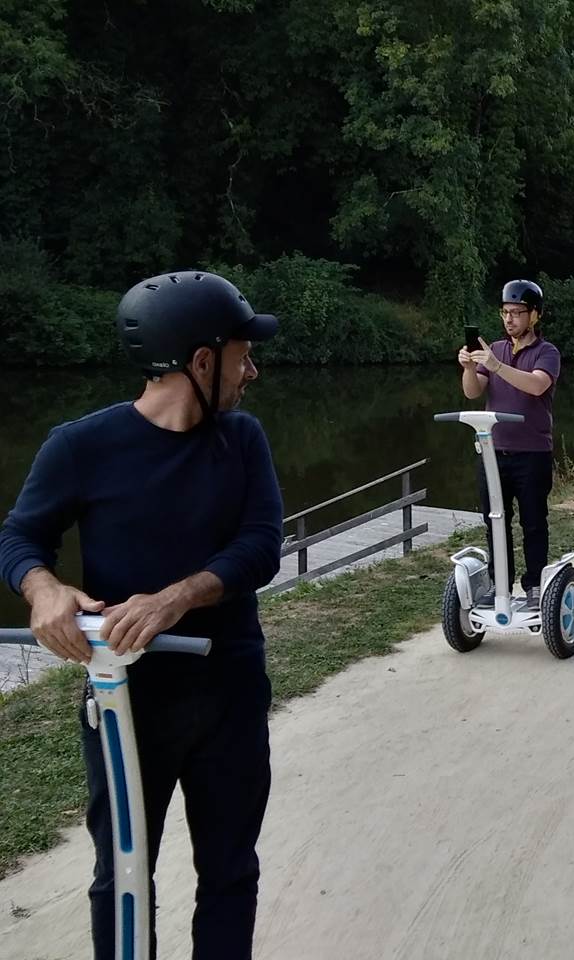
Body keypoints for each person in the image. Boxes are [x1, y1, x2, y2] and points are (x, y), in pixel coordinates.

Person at [0, 271, 283, 960]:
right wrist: (43, 589)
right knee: (122, 874)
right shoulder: (81, 446)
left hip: (230, 689)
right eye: (243, 353)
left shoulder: (242, 440)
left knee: (230, 871)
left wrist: (176, 597)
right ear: (201, 361)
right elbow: (19, 538)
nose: (253, 369)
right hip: (126, 700)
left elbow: (261, 545)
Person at [458, 280, 562, 609]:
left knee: (532, 521)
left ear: (535, 316)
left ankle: (534, 586)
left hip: (532, 453)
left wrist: (497, 366)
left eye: (517, 313)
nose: (510, 319)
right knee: (495, 520)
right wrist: (469, 368)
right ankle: (500, 582)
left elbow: (535, 385)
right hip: (493, 452)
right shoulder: (496, 351)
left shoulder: (547, 352)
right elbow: (472, 392)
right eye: (505, 312)